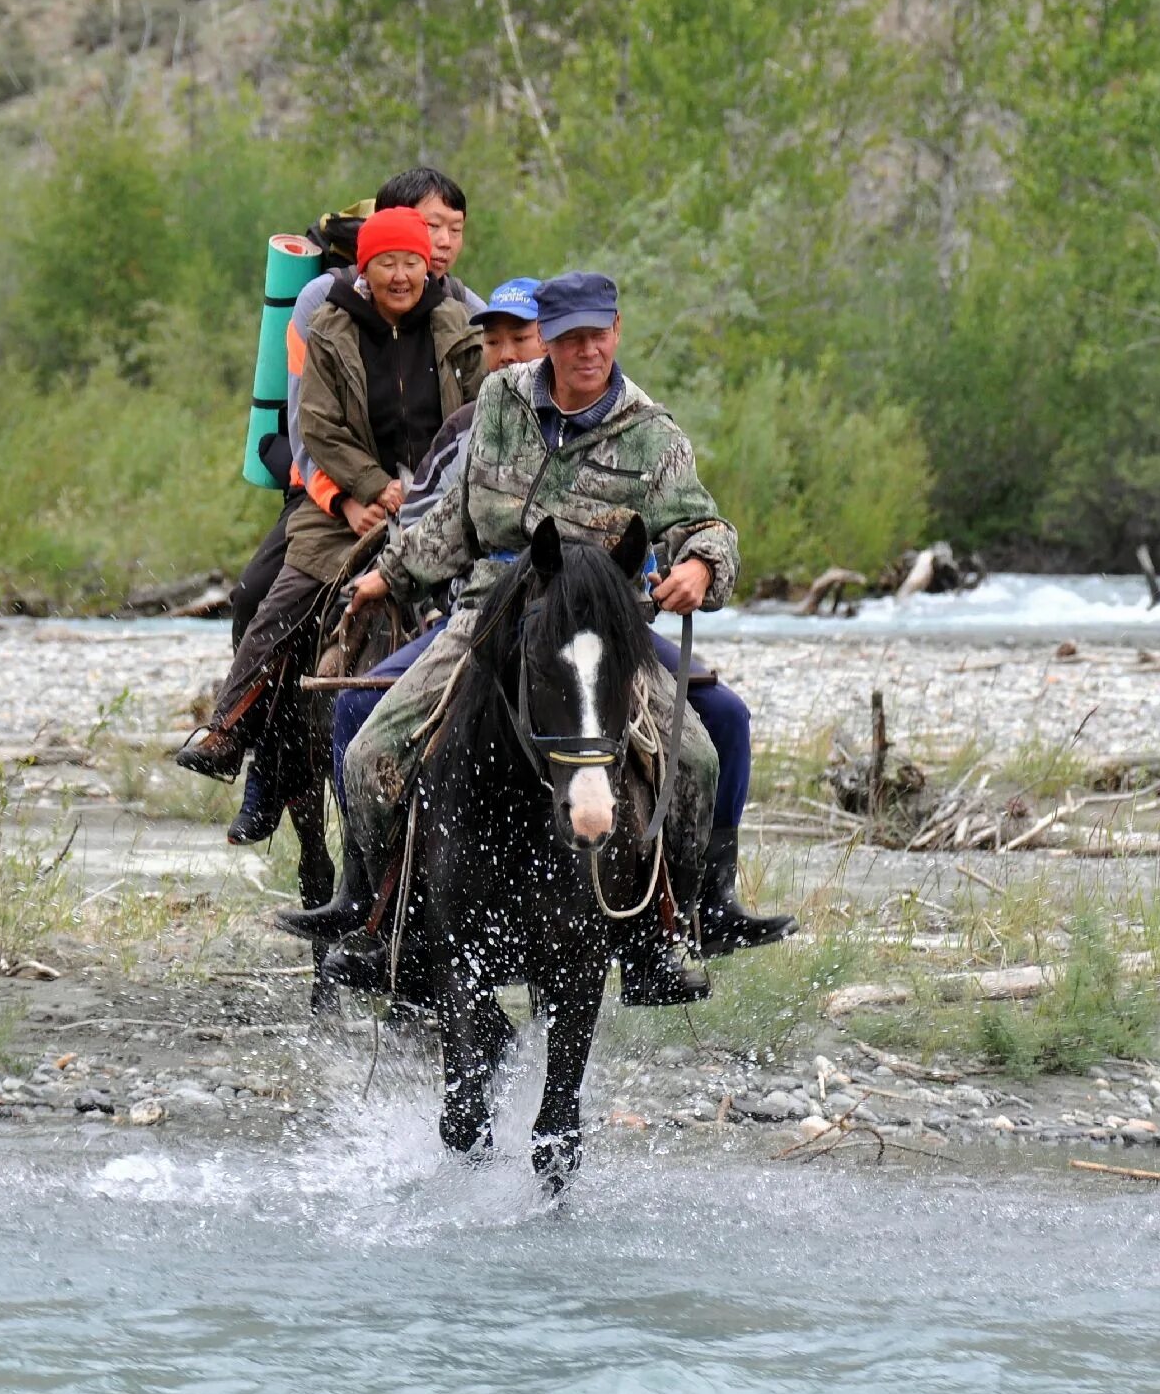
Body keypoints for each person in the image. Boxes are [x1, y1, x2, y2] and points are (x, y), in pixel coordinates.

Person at [285, 271, 793, 1004]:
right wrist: (388, 577)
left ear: (616, 331)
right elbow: (456, 515)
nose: (586, 350)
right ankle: (372, 919)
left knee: (703, 752)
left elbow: (705, 524)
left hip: (601, 625)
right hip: (491, 612)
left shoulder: (652, 431)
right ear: (548, 340)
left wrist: (699, 566)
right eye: (570, 338)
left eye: (598, 334)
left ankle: (682, 925)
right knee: (369, 751)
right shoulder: (501, 400)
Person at [207, 168, 485, 843]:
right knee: (260, 597)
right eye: (426, 227)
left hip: (439, 499)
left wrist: (442, 497)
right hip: (331, 496)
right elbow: (308, 430)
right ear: (380, 235)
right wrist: (354, 496)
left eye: (451, 230)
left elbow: (486, 411)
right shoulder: (320, 310)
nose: (440, 242)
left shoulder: (464, 309)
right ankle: (249, 748)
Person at [328, 276, 544, 802]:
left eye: (520, 339)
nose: (506, 355)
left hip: (584, 617)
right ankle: (365, 873)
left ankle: (701, 878)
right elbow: (431, 524)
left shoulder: (614, 423)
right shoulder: (466, 428)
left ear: (551, 340)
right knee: (356, 706)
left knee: (715, 717)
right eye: (493, 343)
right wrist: (395, 580)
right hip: (478, 612)